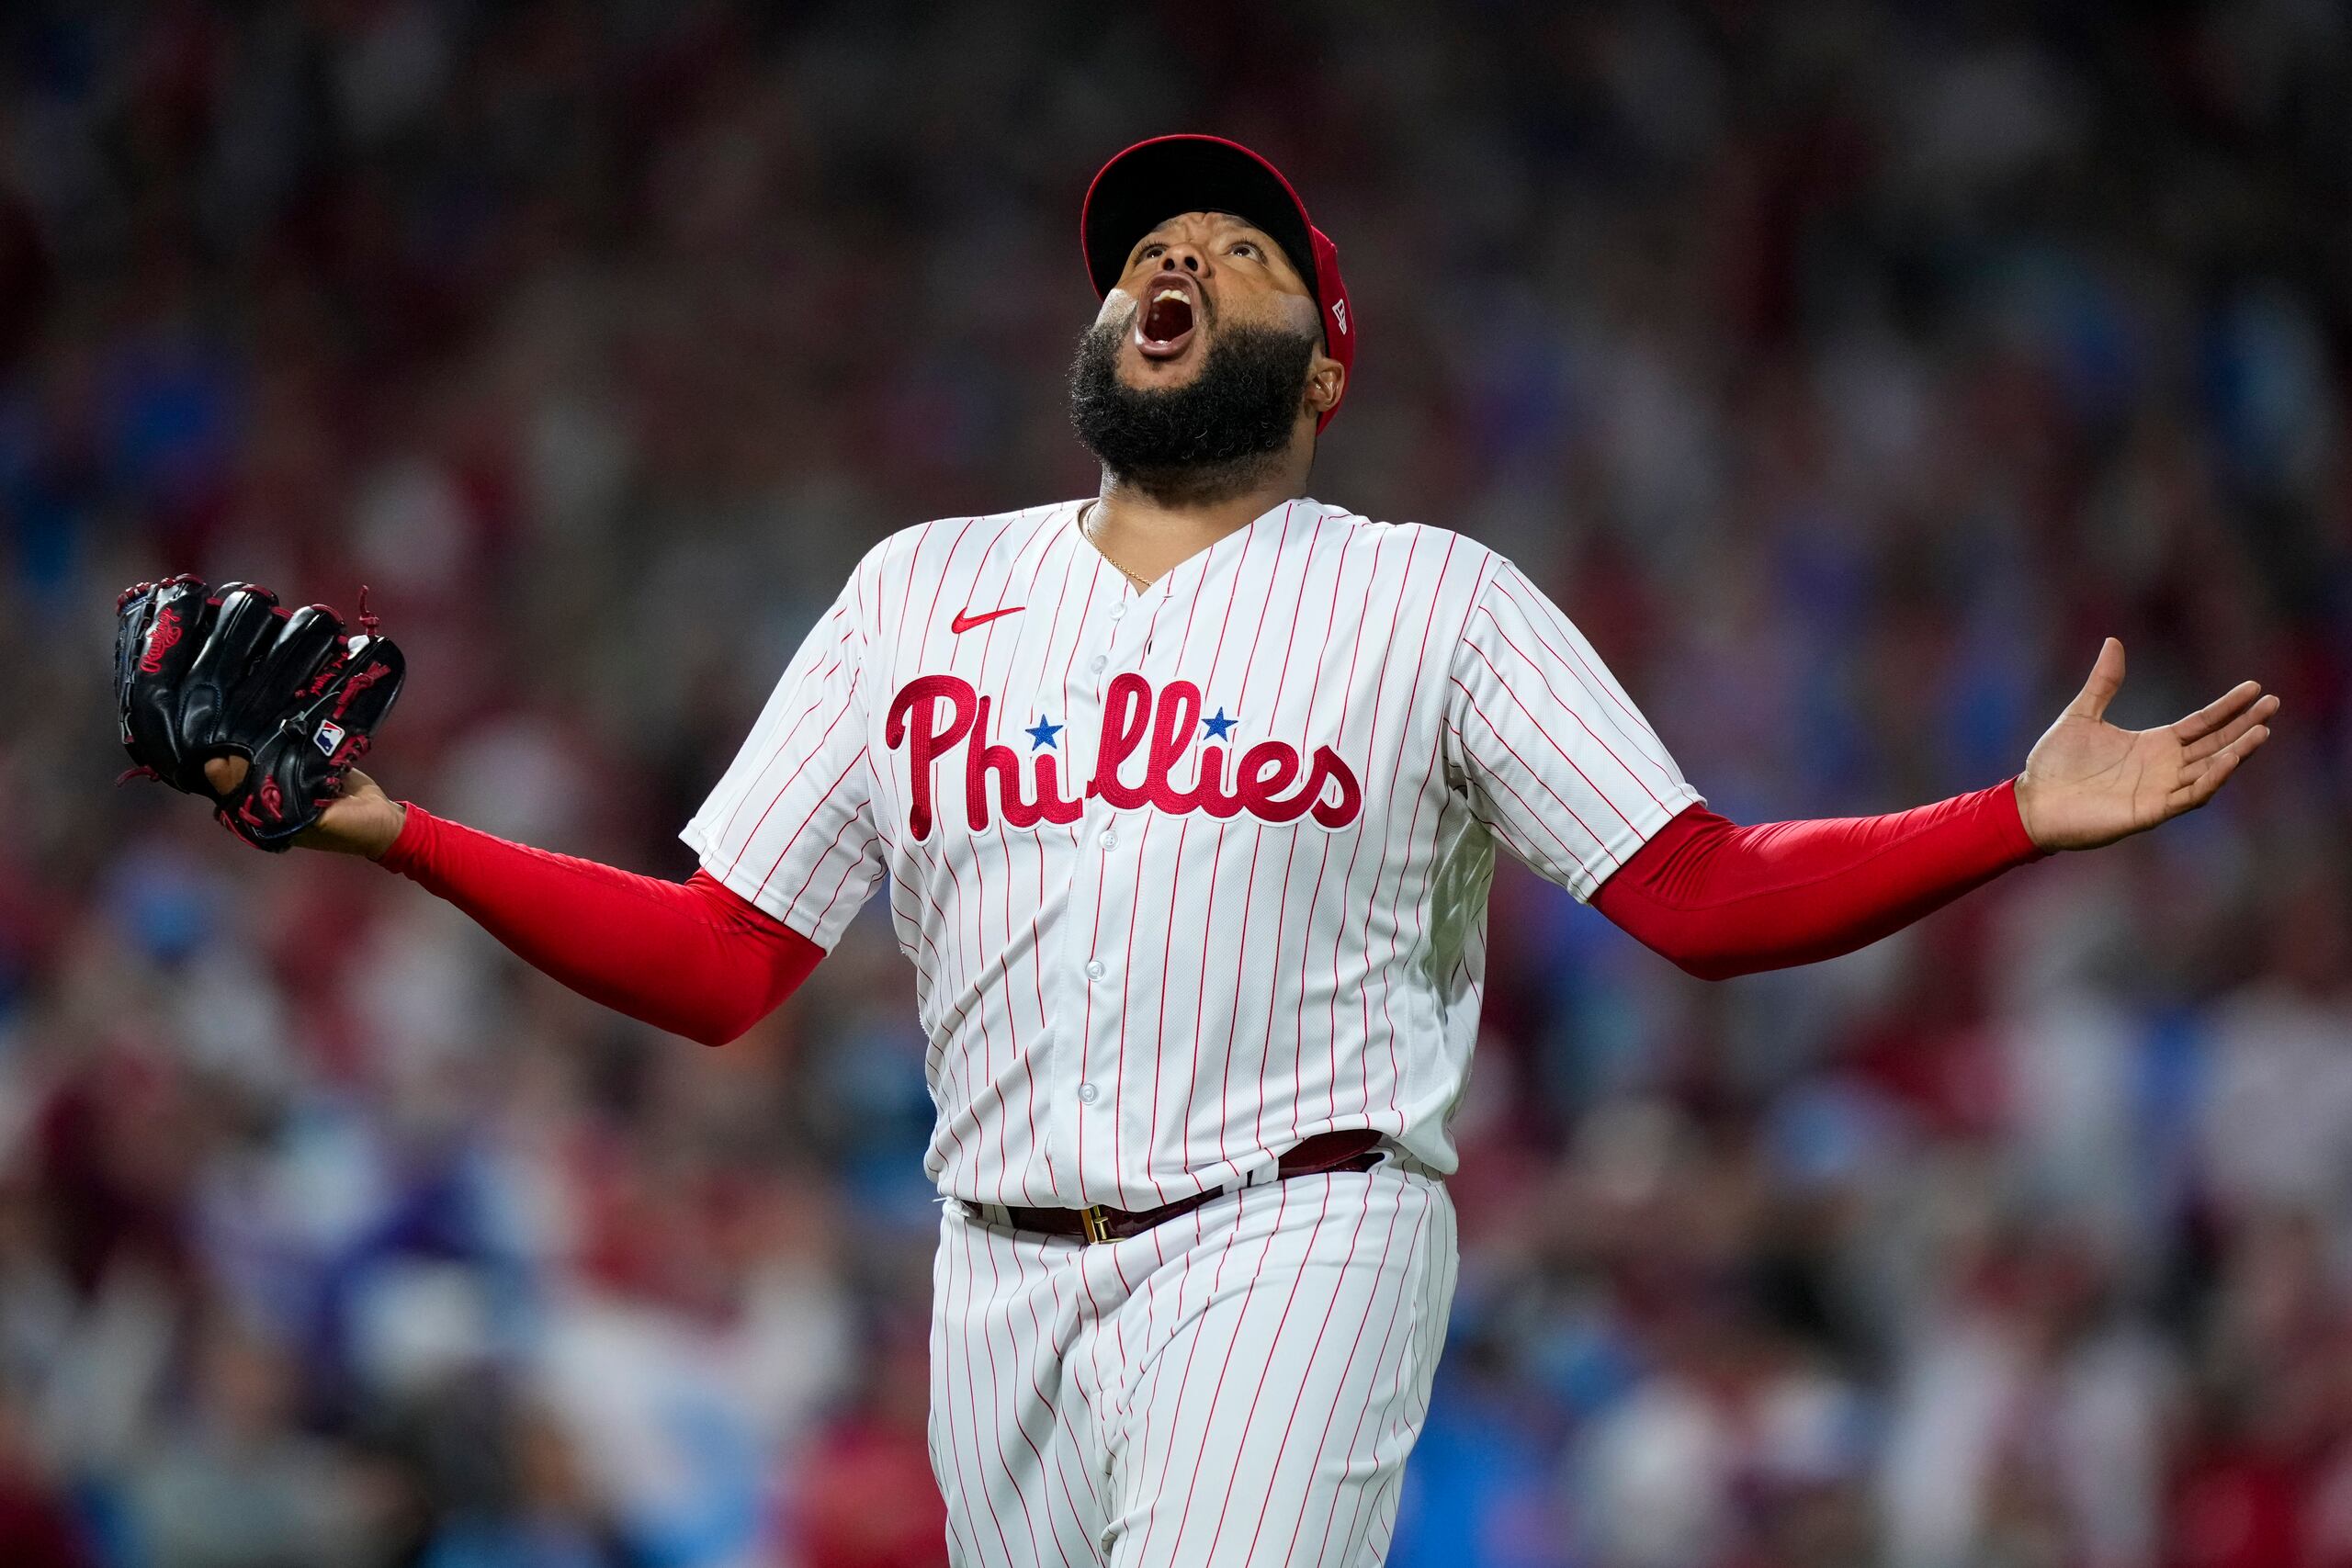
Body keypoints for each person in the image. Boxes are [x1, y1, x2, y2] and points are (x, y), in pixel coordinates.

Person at [195, 136, 2275, 1567]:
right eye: (1142, 253)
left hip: (1295, 1231)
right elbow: (724, 956)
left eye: (1236, 253)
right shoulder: (916, 587)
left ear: (1326, 362)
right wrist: (386, 827)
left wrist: (2001, 815)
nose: (1170, 263)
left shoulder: (1426, 597)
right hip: (990, 1269)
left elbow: (1698, 893)